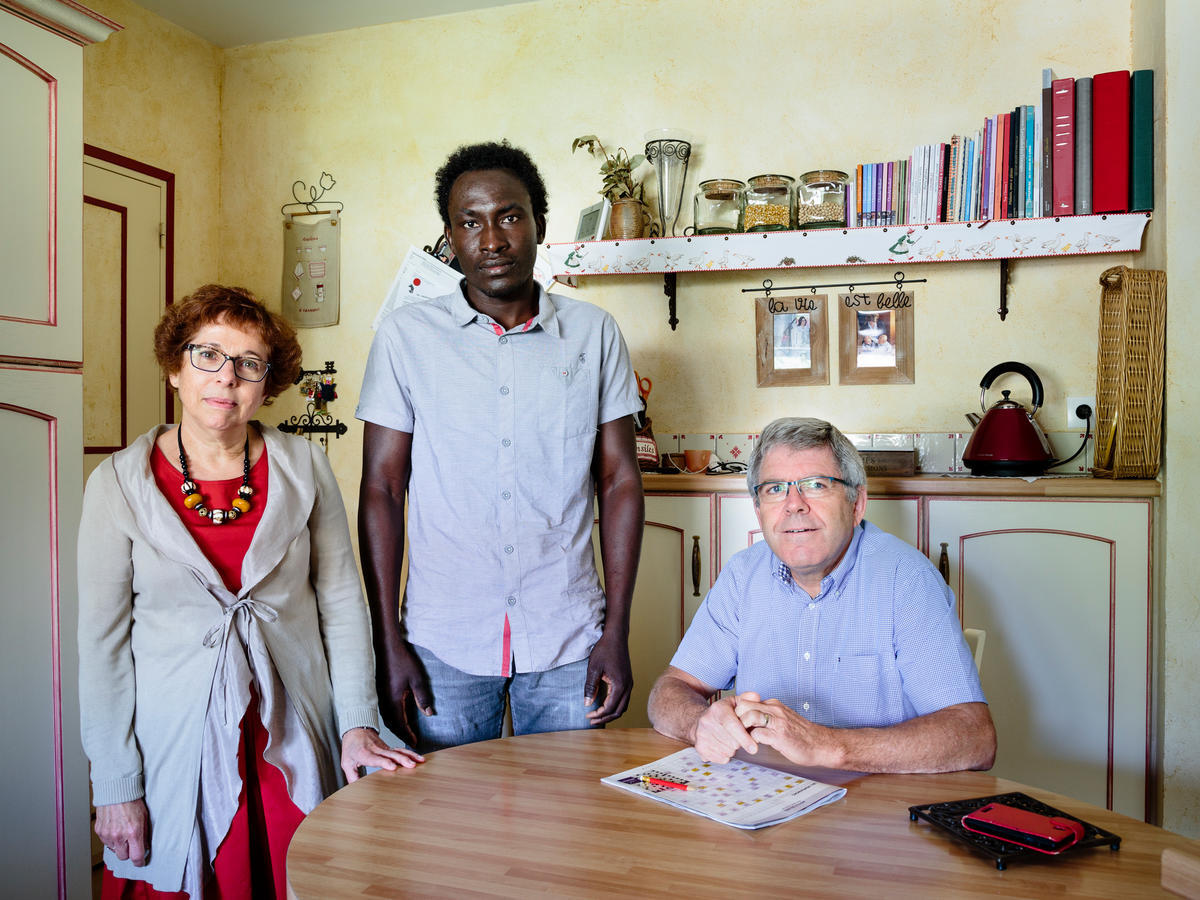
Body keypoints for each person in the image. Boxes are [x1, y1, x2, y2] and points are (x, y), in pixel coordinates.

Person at [78, 285, 423, 899]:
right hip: (172, 746)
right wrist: (115, 786)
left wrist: (356, 725)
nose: (226, 377)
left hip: (290, 732)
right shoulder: (117, 484)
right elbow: (102, 648)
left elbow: (342, 605)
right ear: (174, 368)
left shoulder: (304, 467)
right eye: (207, 355)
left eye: (248, 364)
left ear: (268, 385)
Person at [356, 141, 644, 752]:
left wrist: (617, 630)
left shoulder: (593, 334)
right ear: (449, 235)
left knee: (569, 825)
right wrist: (389, 643)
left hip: (568, 636)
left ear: (539, 220)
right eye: (470, 221)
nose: (492, 240)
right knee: (451, 830)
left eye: (510, 216)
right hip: (443, 641)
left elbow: (619, 482)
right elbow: (382, 489)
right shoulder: (405, 338)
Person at [648, 417, 996, 773]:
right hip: (760, 803)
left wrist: (826, 746)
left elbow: (974, 738)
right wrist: (699, 724)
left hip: (875, 810)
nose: (793, 504)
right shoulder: (742, 576)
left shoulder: (907, 580)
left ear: (857, 503)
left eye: (815, 485)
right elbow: (669, 691)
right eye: (774, 489)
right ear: (758, 511)